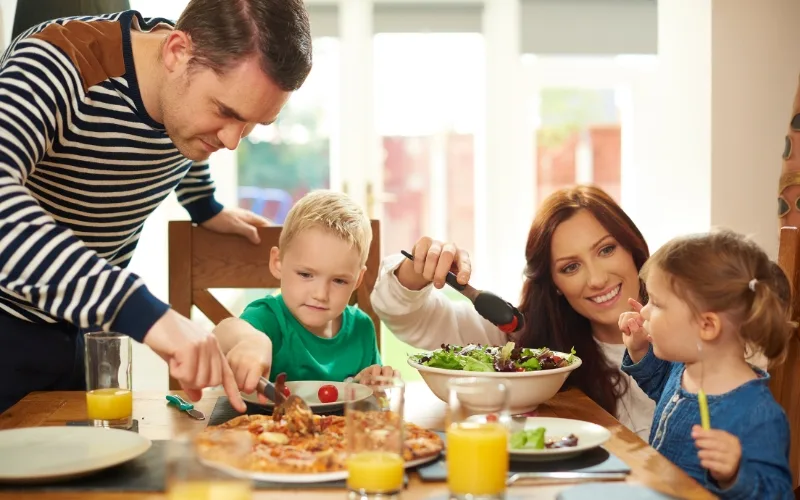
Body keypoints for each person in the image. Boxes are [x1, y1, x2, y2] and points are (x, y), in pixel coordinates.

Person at [0, 0, 312, 413]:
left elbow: (182, 143)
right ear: (177, 52)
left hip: (87, 333)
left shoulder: (186, 91)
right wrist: (142, 310)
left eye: (253, 124)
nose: (233, 141)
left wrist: (204, 206)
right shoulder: (55, 64)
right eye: (225, 112)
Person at [371, 185, 656, 440]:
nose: (596, 279)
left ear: (632, 248)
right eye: (570, 267)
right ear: (554, 284)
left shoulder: (689, 333)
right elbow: (404, 314)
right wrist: (417, 270)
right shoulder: (524, 340)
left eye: (606, 250)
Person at [618, 230, 793, 498]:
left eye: (656, 303)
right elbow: (659, 383)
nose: (643, 311)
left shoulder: (759, 414)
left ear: (707, 326)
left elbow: (777, 493)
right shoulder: (685, 369)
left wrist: (736, 474)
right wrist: (641, 350)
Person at [214, 190, 396, 397]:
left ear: (357, 280)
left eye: (339, 280)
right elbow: (222, 334)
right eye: (306, 274)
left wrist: (367, 383)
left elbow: (363, 403)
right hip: (263, 427)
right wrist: (248, 340)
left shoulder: (361, 328)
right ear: (278, 263)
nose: (320, 294)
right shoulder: (269, 318)